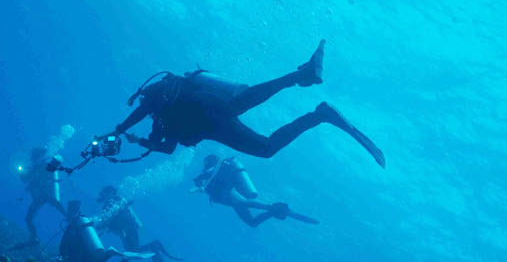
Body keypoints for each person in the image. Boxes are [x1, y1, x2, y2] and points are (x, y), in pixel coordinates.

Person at [107, 40, 385, 168]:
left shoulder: (157, 98)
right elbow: (167, 148)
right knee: (265, 149)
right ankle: (319, 115)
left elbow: (142, 109)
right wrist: (138, 141)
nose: (144, 105)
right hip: (212, 128)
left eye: (142, 101)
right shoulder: (159, 123)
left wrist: (118, 131)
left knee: (237, 104)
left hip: (205, 108)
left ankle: (301, 75)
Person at [192, 154, 318, 227]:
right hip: (228, 199)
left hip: (227, 192)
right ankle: (273, 211)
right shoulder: (216, 172)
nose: (204, 166)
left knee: (243, 203)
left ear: (209, 162)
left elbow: (208, 173)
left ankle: (274, 207)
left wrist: (198, 179)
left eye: (205, 163)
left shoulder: (216, 168)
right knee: (252, 223)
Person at [59, 200, 161, 262]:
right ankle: (111, 255)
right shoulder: (85, 223)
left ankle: (121, 258)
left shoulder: (72, 227)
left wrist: (63, 257)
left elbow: (63, 246)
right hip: (94, 256)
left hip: (87, 260)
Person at [94, 185, 182, 262]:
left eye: (106, 192)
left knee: (131, 252)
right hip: (126, 229)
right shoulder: (113, 203)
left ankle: (154, 247)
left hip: (127, 228)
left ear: (111, 192)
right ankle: (155, 248)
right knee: (131, 252)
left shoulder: (116, 201)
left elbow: (111, 219)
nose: (104, 195)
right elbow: (108, 220)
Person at [18, 147, 67, 244]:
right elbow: (28, 179)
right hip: (43, 196)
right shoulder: (40, 165)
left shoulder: (41, 165)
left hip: (43, 195)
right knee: (29, 219)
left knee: (28, 219)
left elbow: (29, 179)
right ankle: (34, 238)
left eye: (33, 156)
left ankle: (34, 238)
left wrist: (24, 174)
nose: (31, 158)